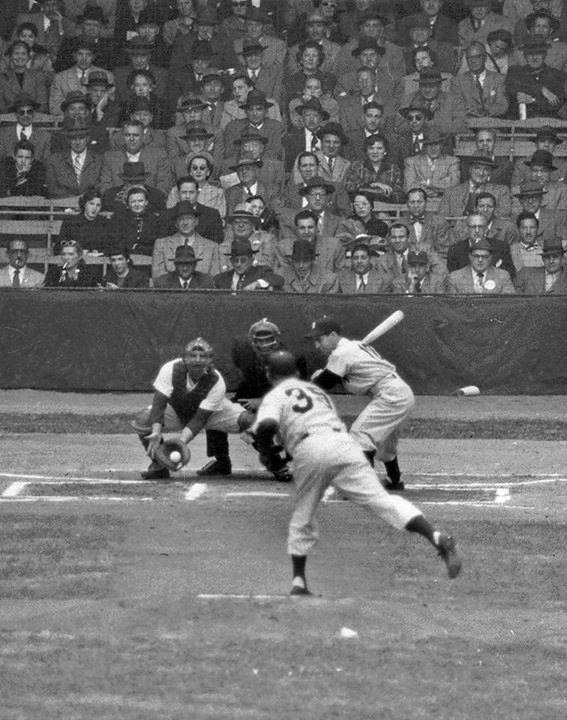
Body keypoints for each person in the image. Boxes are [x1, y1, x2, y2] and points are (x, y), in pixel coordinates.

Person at [252, 348, 462, 595]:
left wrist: (267, 453)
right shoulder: (318, 392)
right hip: (344, 445)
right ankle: (435, 536)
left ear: (269, 374)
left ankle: (299, 582)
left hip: (310, 449)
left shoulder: (274, 395)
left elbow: (266, 425)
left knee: (304, 512)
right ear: (297, 372)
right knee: (383, 501)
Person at [306, 315, 413, 492]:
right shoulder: (351, 348)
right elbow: (348, 376)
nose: (317, 345)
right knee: (385, 443)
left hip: (391, 394)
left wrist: (319, 378)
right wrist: (325, 375)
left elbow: (324, 384)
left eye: (320, 339)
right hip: (398, 392)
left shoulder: (342, 352)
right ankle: (395, 480)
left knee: (360, 436)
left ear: (333, 335)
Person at [132, 336, 254, 480]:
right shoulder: (170, 369)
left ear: (210, 361)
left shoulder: (217, 381)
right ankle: (159, 465)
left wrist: (180, 443)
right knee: (144, 419)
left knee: (250, 421)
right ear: (184, 359)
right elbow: (159, 403)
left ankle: (275, 463)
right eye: (193, 356)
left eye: (202, 357)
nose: (197, 360)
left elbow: (199, 419)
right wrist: (156, 432)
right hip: (177, 409)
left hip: (212, 415)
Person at [45, 118, 103, 198]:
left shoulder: (99, 160)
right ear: (68, 139)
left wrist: (85, 200)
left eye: (81, 138)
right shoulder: (54, 160)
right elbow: (53, 188)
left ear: (87, 139)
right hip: (62, 205)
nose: (78, 142)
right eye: (74, 138)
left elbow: (100, 186)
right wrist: (72, 201)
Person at [447, 237, 516, 294]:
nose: (480, 260)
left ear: (491, 258)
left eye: (485, 256)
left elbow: (509, 304)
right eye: (476, 256)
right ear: (469, 257)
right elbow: (452, 306)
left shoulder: (503, 276)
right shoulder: (455, 278)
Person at [212, 239, 284, 290]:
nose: (238, 264)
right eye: (235, 260)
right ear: (231, 261)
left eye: (243, 260)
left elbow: (278, 279)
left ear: (251, 260)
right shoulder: (221, 278)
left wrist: (257, 283)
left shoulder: (261, 271)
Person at [56, 187, 111, 254]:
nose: (95, 208)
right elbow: (58, 247)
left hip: (98, 261)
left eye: (98, 205)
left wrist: (99, 252)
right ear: (85, 204)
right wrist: (77, 250)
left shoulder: (105, 223)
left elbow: (110, 246)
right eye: (91, 204)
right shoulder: (70, 223)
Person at [0, 40, 49, 114]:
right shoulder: (2, 78)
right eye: (16, 53)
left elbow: (42, 104)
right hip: (9, 121)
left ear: (29, 57)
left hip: (35, 120)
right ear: (10, 56)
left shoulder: (38, 76)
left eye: (23, 54)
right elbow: (1, 106)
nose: (20, 57)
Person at [0, 93, 51, 163]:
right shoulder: (2, 135)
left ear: (34, 114)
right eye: (21, 112)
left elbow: (46, 165)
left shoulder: (45, 137)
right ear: (16, 114)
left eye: (29, 112)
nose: (26, 115)